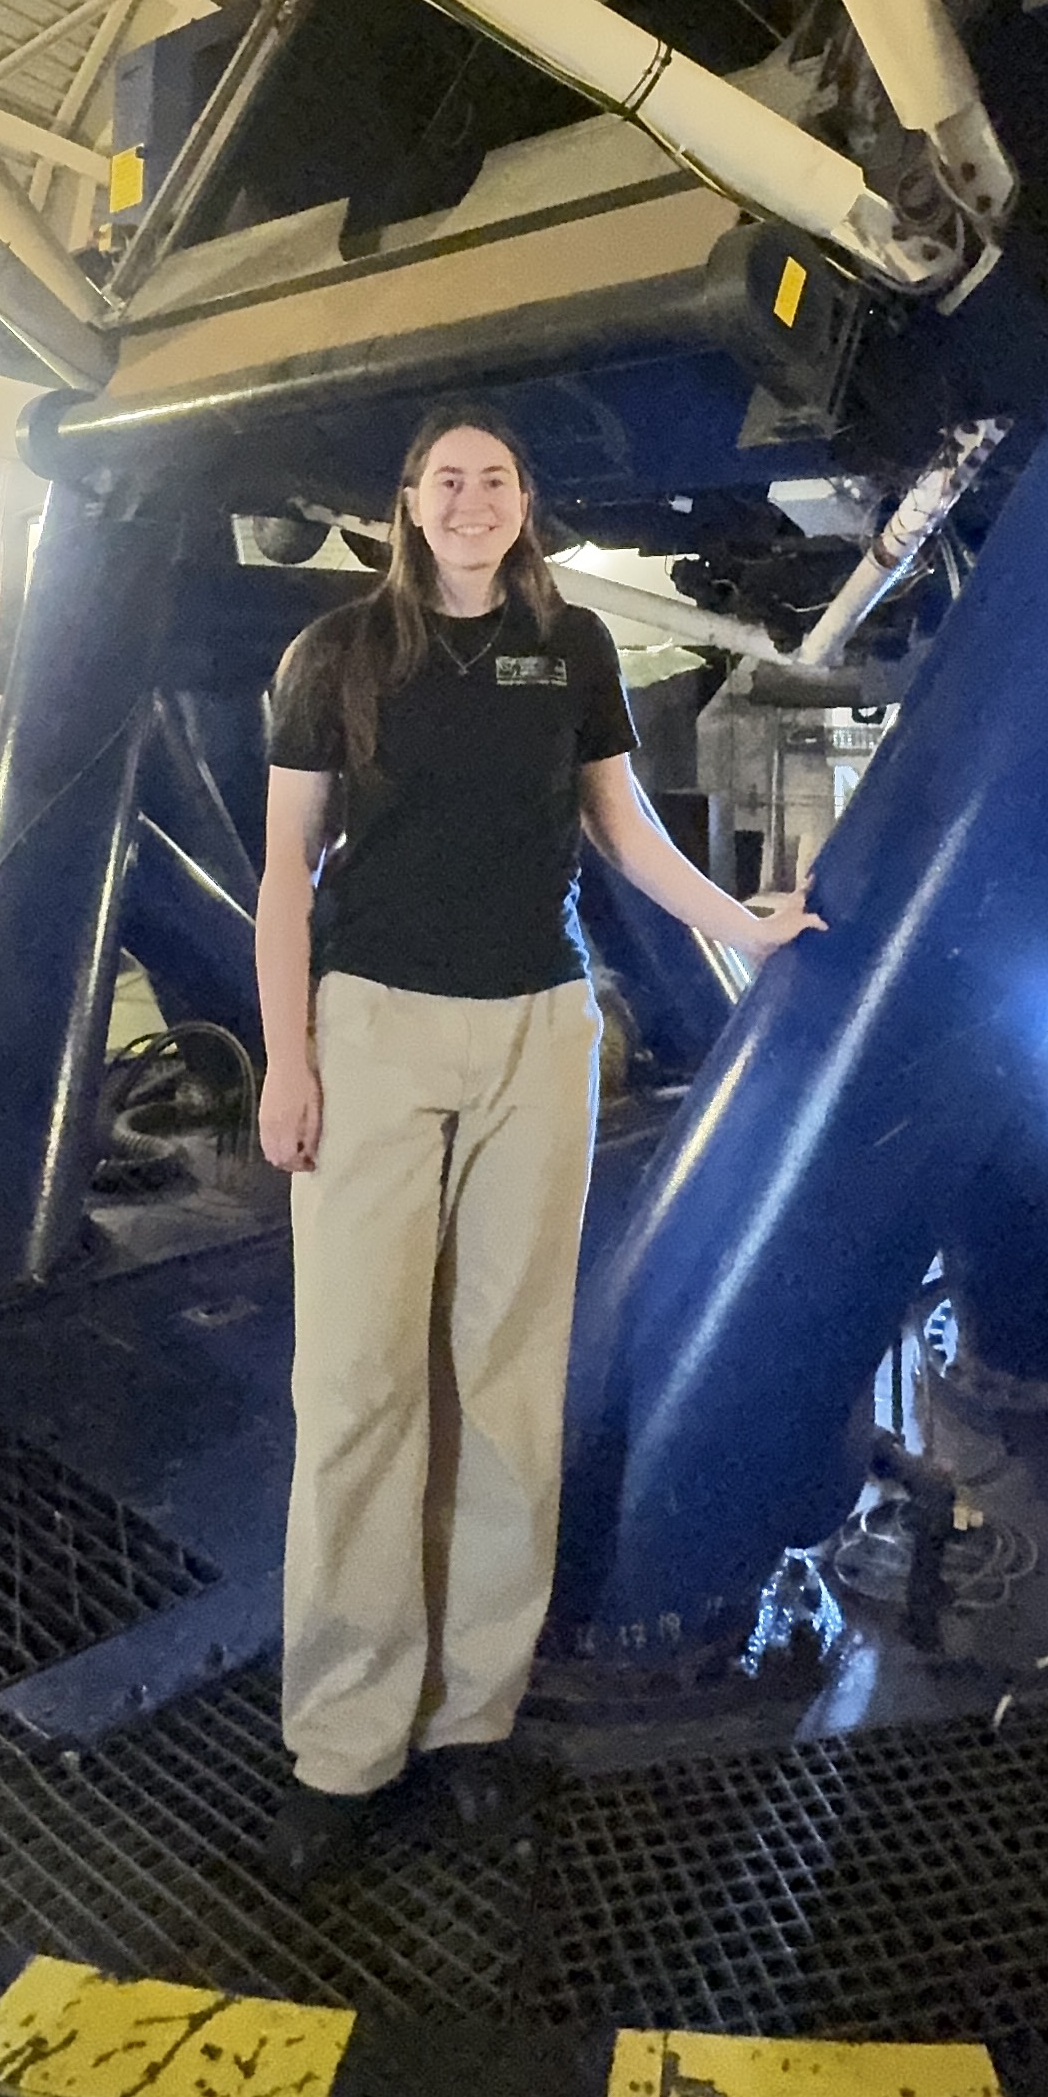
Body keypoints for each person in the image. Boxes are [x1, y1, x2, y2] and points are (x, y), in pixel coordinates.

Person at [254, 402, 820, 1892]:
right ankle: (343, 1742)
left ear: (523, 506)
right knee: (360, 1385)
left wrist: (744, 927)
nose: (471, 499)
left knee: (507, 1383)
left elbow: (624, 835)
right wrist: (289, 1063)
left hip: (535, 1034)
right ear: (405, 503)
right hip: (374, 1034)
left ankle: (470, 1724)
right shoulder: (337, 659)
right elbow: (284, 878)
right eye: (448, 479)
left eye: (496, 479)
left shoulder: (571, 651)